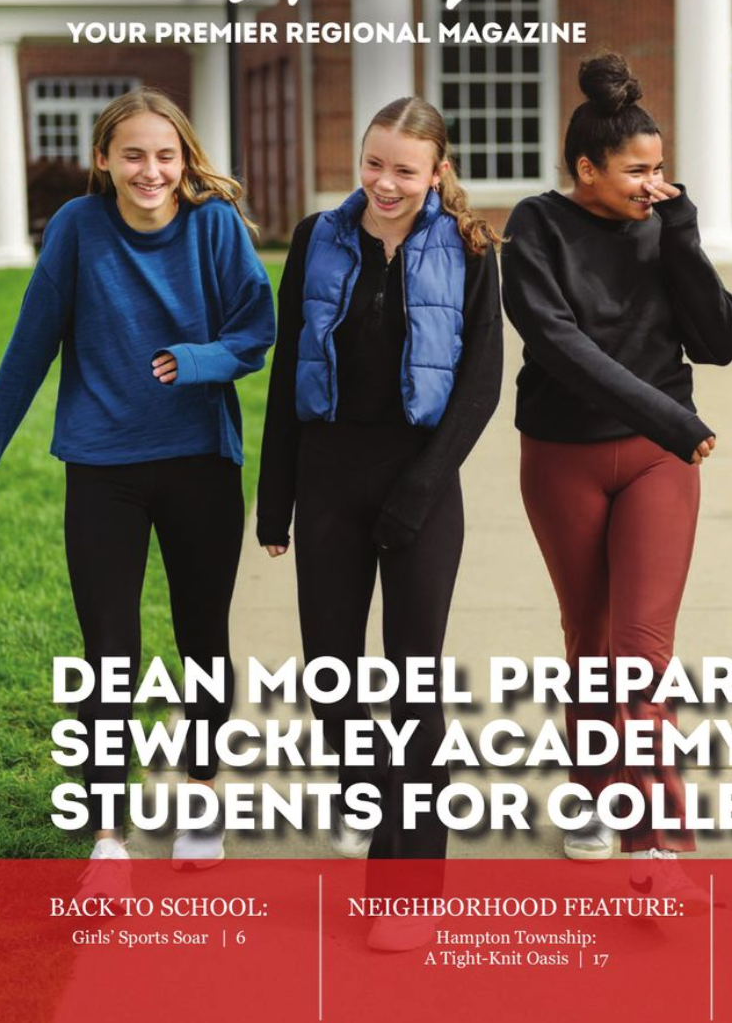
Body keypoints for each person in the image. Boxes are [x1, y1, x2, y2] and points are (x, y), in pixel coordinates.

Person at [0, 88, 275, 872]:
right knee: (108, 653)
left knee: (201, 642)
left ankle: (199, 800)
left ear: (183, 159)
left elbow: (257, 329)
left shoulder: (213, 227)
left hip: (199, 463)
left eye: (164, 155)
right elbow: (28, 353)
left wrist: (197, 361)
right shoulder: (77, 231)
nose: (150, 171)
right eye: (133, 155)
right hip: (103, 469)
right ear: (104, 161)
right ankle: (107, 837)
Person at [500, 53, 732, 883]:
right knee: (591, 642)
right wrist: (670, 415)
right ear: (585, 169)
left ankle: (658, 840)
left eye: (661, 167)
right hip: (564, 454)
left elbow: (718, 341)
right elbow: (559, 345)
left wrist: (683, 238)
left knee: (639, 652)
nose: (653, 182)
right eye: (638, 170)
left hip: (656, 463)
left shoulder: (663, 223)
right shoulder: (535, 226)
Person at [256, 96, 502, 896]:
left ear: (438, 171)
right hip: (328, 479)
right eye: (373, 163)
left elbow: (481, 385)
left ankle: (411, 872)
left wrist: (421, 487)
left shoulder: (470, 247)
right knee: (332, 682)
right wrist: (275, 497)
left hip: (422, 481)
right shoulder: (316, 239)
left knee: (412, 682)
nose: (384, 183)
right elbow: (291, 362)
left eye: (403, 168)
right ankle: (392, 814)